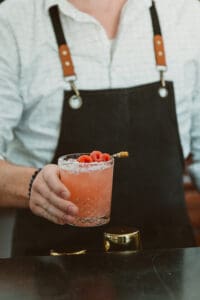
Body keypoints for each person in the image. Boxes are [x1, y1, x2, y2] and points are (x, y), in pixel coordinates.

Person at [0, 0, 200, 256]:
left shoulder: (186, 13)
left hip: (171, 269)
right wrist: (31, 185)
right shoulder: (14, 20)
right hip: (53, 272)